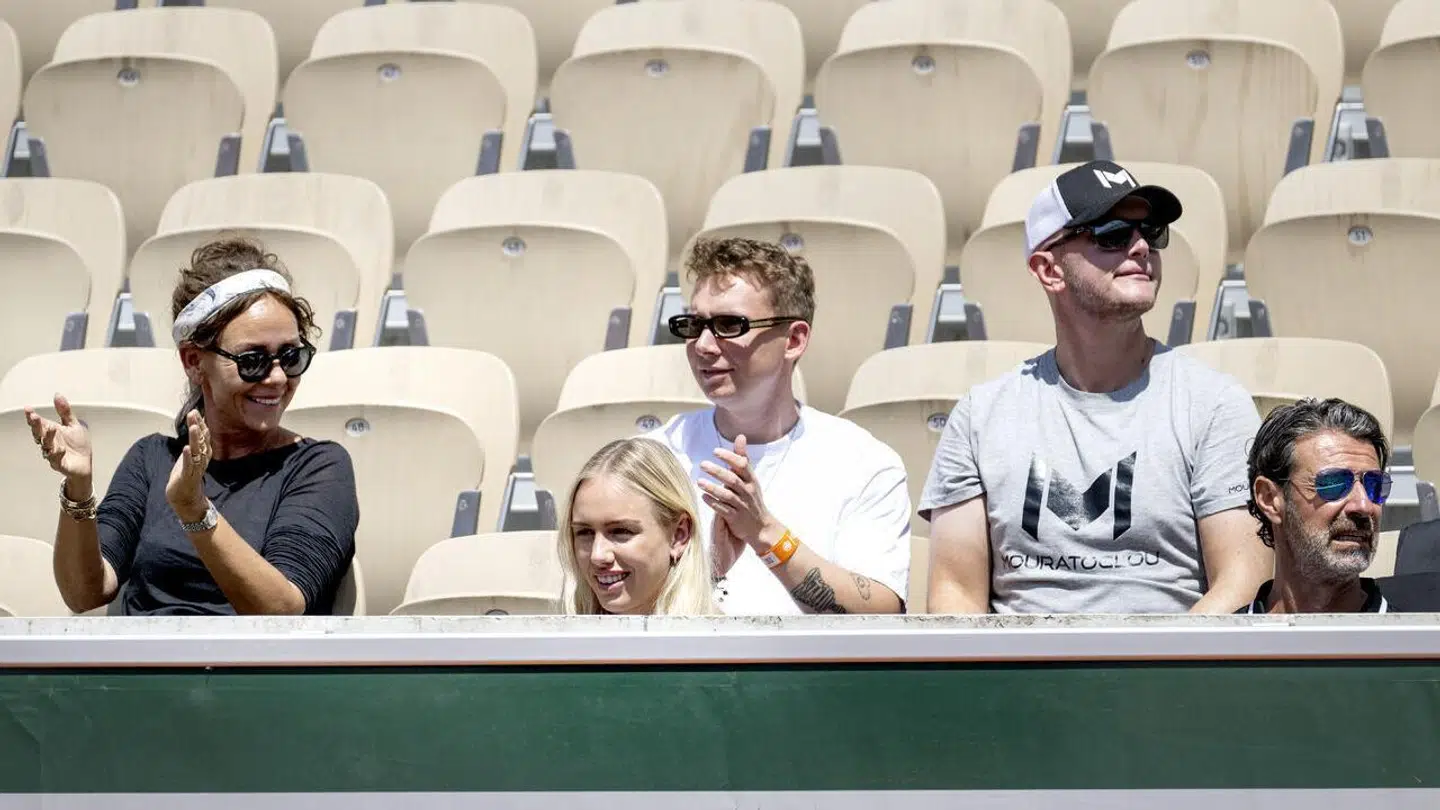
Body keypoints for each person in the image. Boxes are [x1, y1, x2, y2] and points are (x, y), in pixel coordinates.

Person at [922, 160, 1272, 614]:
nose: (1142, 246)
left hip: (1168, 673)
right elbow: (955, 596)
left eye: (1152, 231)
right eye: (1112, 234)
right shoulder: (980, 416)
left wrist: (1141, 674)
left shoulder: (1214, 405)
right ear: (1049, 270)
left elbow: (1245, 583)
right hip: (1019, 678)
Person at [25, 237, 359, 616]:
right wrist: (78, 488)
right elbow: (85, 593)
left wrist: (195, 511)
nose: (277, 377)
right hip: (142, 669)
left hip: (253, 672)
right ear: (194, 362)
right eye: (253, 360)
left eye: (291, 356)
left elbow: (281, 610)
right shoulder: (152, 458)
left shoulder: (319, 467)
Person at [647, 237, 910, 615]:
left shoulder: (863, 462)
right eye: (694, 324)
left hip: (813, 674)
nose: (704, 345)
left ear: (794, 340)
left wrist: (765, 533)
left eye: (728, 325)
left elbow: (883, 614)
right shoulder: (654, 456)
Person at [1243, 398, 1394, 614]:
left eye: (1375, 485)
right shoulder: (1222, 645)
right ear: (1269, 499)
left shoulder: (1420, 644)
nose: (1364, 505)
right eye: (1333, 483)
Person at [559, 437, 716, 615]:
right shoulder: (555, 639)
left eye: (620, 531)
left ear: (679, 535)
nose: (597, 555)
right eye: (584, 532)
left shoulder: (728, 640)